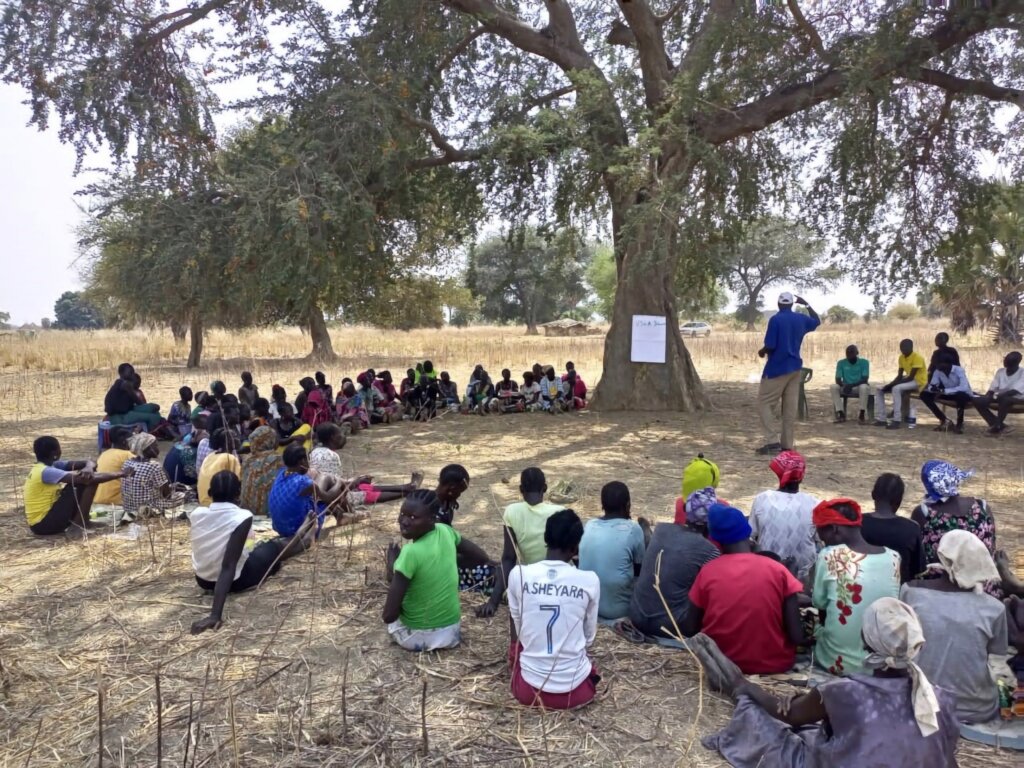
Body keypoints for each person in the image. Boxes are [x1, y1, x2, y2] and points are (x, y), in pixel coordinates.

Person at [704, 597, 960, 768]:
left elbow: (789, 715)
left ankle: (738, 696)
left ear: (865, 639)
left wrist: (746, 686)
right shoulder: (940, 698)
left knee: (767, 728)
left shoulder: (844, 692)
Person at [684, 503, 808, 674]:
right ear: (747, 532)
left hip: (721, 663)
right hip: (775, 664)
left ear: (715, 540)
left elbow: (690, 628)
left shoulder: (708, 572)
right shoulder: (777, 569)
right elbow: (796, 636)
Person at [901, 530, 1008, 724]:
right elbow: (997, 659)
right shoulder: (995, 609)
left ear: (942, 558)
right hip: (977, 710)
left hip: (922, 706)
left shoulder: (911, 593)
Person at [190, 471, 315, 635]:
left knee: (256, 548)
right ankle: (302, 538)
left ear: (209, 493)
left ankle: (299, 536)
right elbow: (228, 566)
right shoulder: (242, 516)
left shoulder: (196, 514)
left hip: (203, 580)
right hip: (236, 581)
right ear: (238, 493)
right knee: (272, 547)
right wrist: (215, 615)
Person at [507, 509, 601, 709]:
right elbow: (589, 639)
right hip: (576, 694)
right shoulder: (590, 580)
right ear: (576, 547)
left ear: (545, 539)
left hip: (527, 692)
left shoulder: (519, 574)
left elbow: (518, 625)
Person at [382, 490, 492, 651]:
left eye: (413, 517)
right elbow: (482, 557)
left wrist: (392, 564)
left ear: (432, 519)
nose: (404, 521)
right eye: (402, 514)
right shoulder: (446, 531)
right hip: (451, 633)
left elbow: (388, 616)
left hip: (416, 637)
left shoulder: (410, 552)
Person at [811, 498, 901, 676]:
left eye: (821, 534)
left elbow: (819, 603)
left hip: (836, 661)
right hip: (879, 664)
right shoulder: (893, 557)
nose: (821, 540)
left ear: (835, 529)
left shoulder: (829, 556)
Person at [628, 488, 720, 638]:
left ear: (685, 510)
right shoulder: (709, 551)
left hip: (636, 615)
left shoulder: (660, 529)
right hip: (671, 626)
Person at [477, 467, 565, 617]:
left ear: (520, 489)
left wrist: (493, 602)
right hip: (561, 582)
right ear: (544, 488)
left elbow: (509, 558)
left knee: (499, 575)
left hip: (533, 583)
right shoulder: (560, 511)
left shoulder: (512, 511)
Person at [911, 459, 1000, 598]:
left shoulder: (923, 513)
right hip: (985, 591)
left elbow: (916, 555)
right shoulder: (982, 507)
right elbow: (991, 548)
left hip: (938, 593)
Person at [23, 436, 129, 536]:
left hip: (42, 522)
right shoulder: (46, 471)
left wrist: (88, 468)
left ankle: (82, 521)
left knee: (86, 476)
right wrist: (121, 473)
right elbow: (87, 479)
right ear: (55, 452)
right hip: (43, 525)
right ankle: (79, 524)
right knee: (86, 481)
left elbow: (88, 462)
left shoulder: (50, 465)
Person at [756, 292, 820, 454]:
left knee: (764, 403)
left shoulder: (775, 320)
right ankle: (787, 445)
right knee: (789, 409)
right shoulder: (800, 319)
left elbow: (771, 345)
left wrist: (762, 351)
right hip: (795, 369)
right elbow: (817, 321)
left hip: (777, 368)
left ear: (778, 304)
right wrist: (806, 303)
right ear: (792, 304)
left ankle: (772, 441)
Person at [578, 482, 649, 621]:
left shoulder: (590, 525)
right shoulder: (633, 529)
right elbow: (640, 571)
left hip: (587, 607)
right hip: (618, 611)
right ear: (628, 505)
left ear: (602, 506)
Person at [748, 451, 818, 580]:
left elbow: (750, 534)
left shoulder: (763, 499)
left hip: (769, 570)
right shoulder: (813, 503)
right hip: (803, 575)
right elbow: (818, 537)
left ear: (778, 473)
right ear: (801, 476)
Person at [268, 444, 350, 538]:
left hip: (281, 530)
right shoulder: (303, 483)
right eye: (308, 459)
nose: (309, 463)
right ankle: (344, 515)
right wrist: (339, 482)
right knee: (327, 481)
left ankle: (341, 514)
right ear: (302, 461)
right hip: (301, 530)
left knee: (324, 479)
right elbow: (327, 497)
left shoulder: (281, 474)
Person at [861, 473, 925, 584]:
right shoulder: (911, 529)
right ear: (899, 500)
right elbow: (918, 570)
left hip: (861, 588)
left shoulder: (857, 523)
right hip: (897, 594)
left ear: (872, 495)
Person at [120, 432, 186, 523]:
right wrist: (173, 488)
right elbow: (167, 495)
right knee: (183, 495)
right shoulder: (154, 466)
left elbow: (145, 487)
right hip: (149, 507)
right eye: (155, 446)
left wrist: (171, 486)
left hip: (129, 507)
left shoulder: (127, 463)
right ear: (147, 449)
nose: (158, 449)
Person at [874, 338, 926, 429]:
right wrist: (889, 385)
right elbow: (899, 376)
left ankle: (896, 420)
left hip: (918, 381)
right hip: (907, 380)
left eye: (905, 347)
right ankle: (882, 418)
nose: (903, 349)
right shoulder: (901, 357)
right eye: (901, 347)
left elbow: (911, 377)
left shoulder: (917, 357)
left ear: (911, 347)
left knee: (896, 388)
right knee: (880, 390)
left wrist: (893, 385)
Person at [919, 351, 973, 433]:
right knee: (924, 394)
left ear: (947, 363)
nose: (936, 366)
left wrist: (944, 390)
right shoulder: (938, 371)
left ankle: (959, 424)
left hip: (963, 394)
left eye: (938, 364)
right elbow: (933, 385)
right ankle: (944, 420)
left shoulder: (959, 370)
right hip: (947, 393)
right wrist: (932, 388)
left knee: (961, 396)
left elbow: (964, 387)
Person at [973, 350, 1023, 435]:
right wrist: (987, 397)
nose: (1005, 361)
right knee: (977, 400)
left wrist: (996, 396)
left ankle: (997, 426)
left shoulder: (1022, 373)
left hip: (1017, 398)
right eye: (1005, 358)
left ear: (1016, 363)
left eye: (1007, 360)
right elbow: (993, 388)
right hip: (999, 396)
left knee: (1005, 399)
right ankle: (999, 425)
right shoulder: (1000, 371)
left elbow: (1014, 391)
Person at [104, 362, 162, 431]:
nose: (133, 374)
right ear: (121, 374)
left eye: (133, 372)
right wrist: (146, 409)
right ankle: (147, 433)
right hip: (120, 417)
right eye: (130, 372)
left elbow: (139, 403)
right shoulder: (125, 384)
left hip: (127, 411)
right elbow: (138, 402)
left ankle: (146, 429)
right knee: (154, 417)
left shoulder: (121, 383)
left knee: (155, 409)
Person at [239, 426, 282, 518]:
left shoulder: (247, 459)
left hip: (246, 512)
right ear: (269, 440)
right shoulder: (277, 459)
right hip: (267, 513)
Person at [197, 429, 242, 506]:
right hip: (216, 502)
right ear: (228, 442)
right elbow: (238, 482)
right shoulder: (230, 458)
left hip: (203, 501)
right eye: (235, 437)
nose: (238, 439)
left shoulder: (210, 456)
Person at [94, 426, 134, 507]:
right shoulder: (127, 455)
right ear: (125, 442)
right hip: (116, 501)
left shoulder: (104, 454)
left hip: (98, 498)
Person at [829, 345, 870, 423]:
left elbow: (865, 379)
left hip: (857, 387)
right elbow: (837, 379)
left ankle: (862, 414)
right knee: (833, 387)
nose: (849, 354)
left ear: (857, 353)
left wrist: (851, 385)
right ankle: (841, 413)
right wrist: (844, 386)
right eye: (847, 352)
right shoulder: (841, 363)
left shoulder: (864, 362)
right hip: (845, 387)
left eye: (852, 352)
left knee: (864, 387)